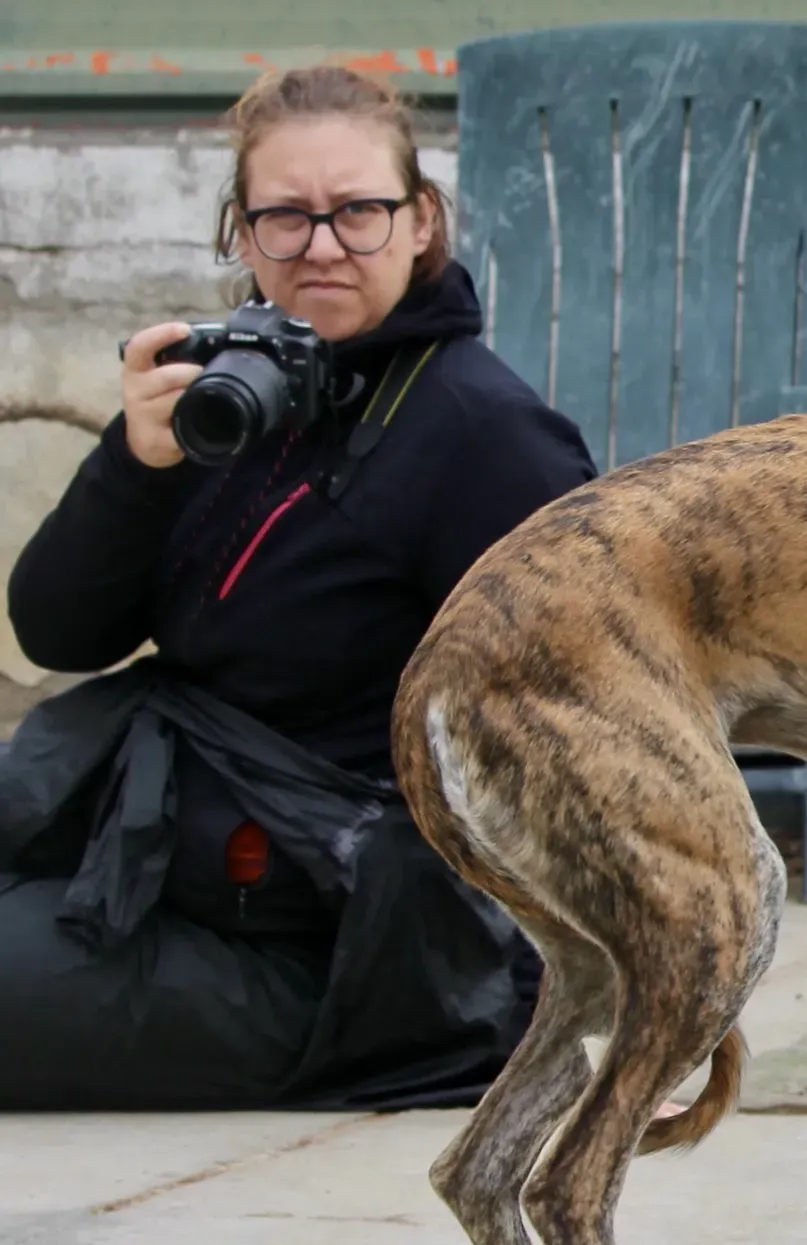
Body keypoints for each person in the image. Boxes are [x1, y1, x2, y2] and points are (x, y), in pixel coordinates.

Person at [0, 65, 599, 1111]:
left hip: (343, 955)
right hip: (165, 852)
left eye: (358, 213)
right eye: (286, 217)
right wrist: (134, 470)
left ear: (419, 223)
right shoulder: (236, 395)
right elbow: (58, 630)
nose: (322, 247)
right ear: (240, 233)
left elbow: (589, 726)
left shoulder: (483, 435)